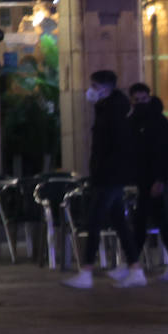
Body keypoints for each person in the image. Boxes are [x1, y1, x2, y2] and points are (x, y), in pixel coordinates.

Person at [62, 70, 145, 289]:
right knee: (118, 222)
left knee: (95, 221)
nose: (91, 91)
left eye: (95, 86)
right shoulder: (110, 108)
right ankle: (135, 268)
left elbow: (114, 146)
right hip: (109, 175)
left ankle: (86, 271)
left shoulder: (113, 111)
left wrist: (103, 171)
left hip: (109, 176)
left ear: (106, 89)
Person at [127, 84, 168, 281]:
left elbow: (163, 153)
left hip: (152, 180)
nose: (141, 103)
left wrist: (160, 179)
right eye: (137, 99)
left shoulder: (158, 122)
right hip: (143, 180)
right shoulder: (132, 122)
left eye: (144, 99)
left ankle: (134, 265)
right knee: (152, 221)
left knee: (148, 221)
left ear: (149, 98)